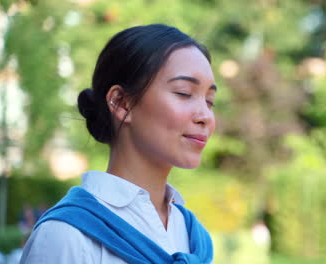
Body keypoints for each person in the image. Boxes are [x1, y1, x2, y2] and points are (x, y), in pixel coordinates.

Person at [20, 24, 216, 264]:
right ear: (121, 103)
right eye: (184, 93)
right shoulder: (68, 236)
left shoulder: (193, 237)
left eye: (209, 101)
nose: (205, 116)